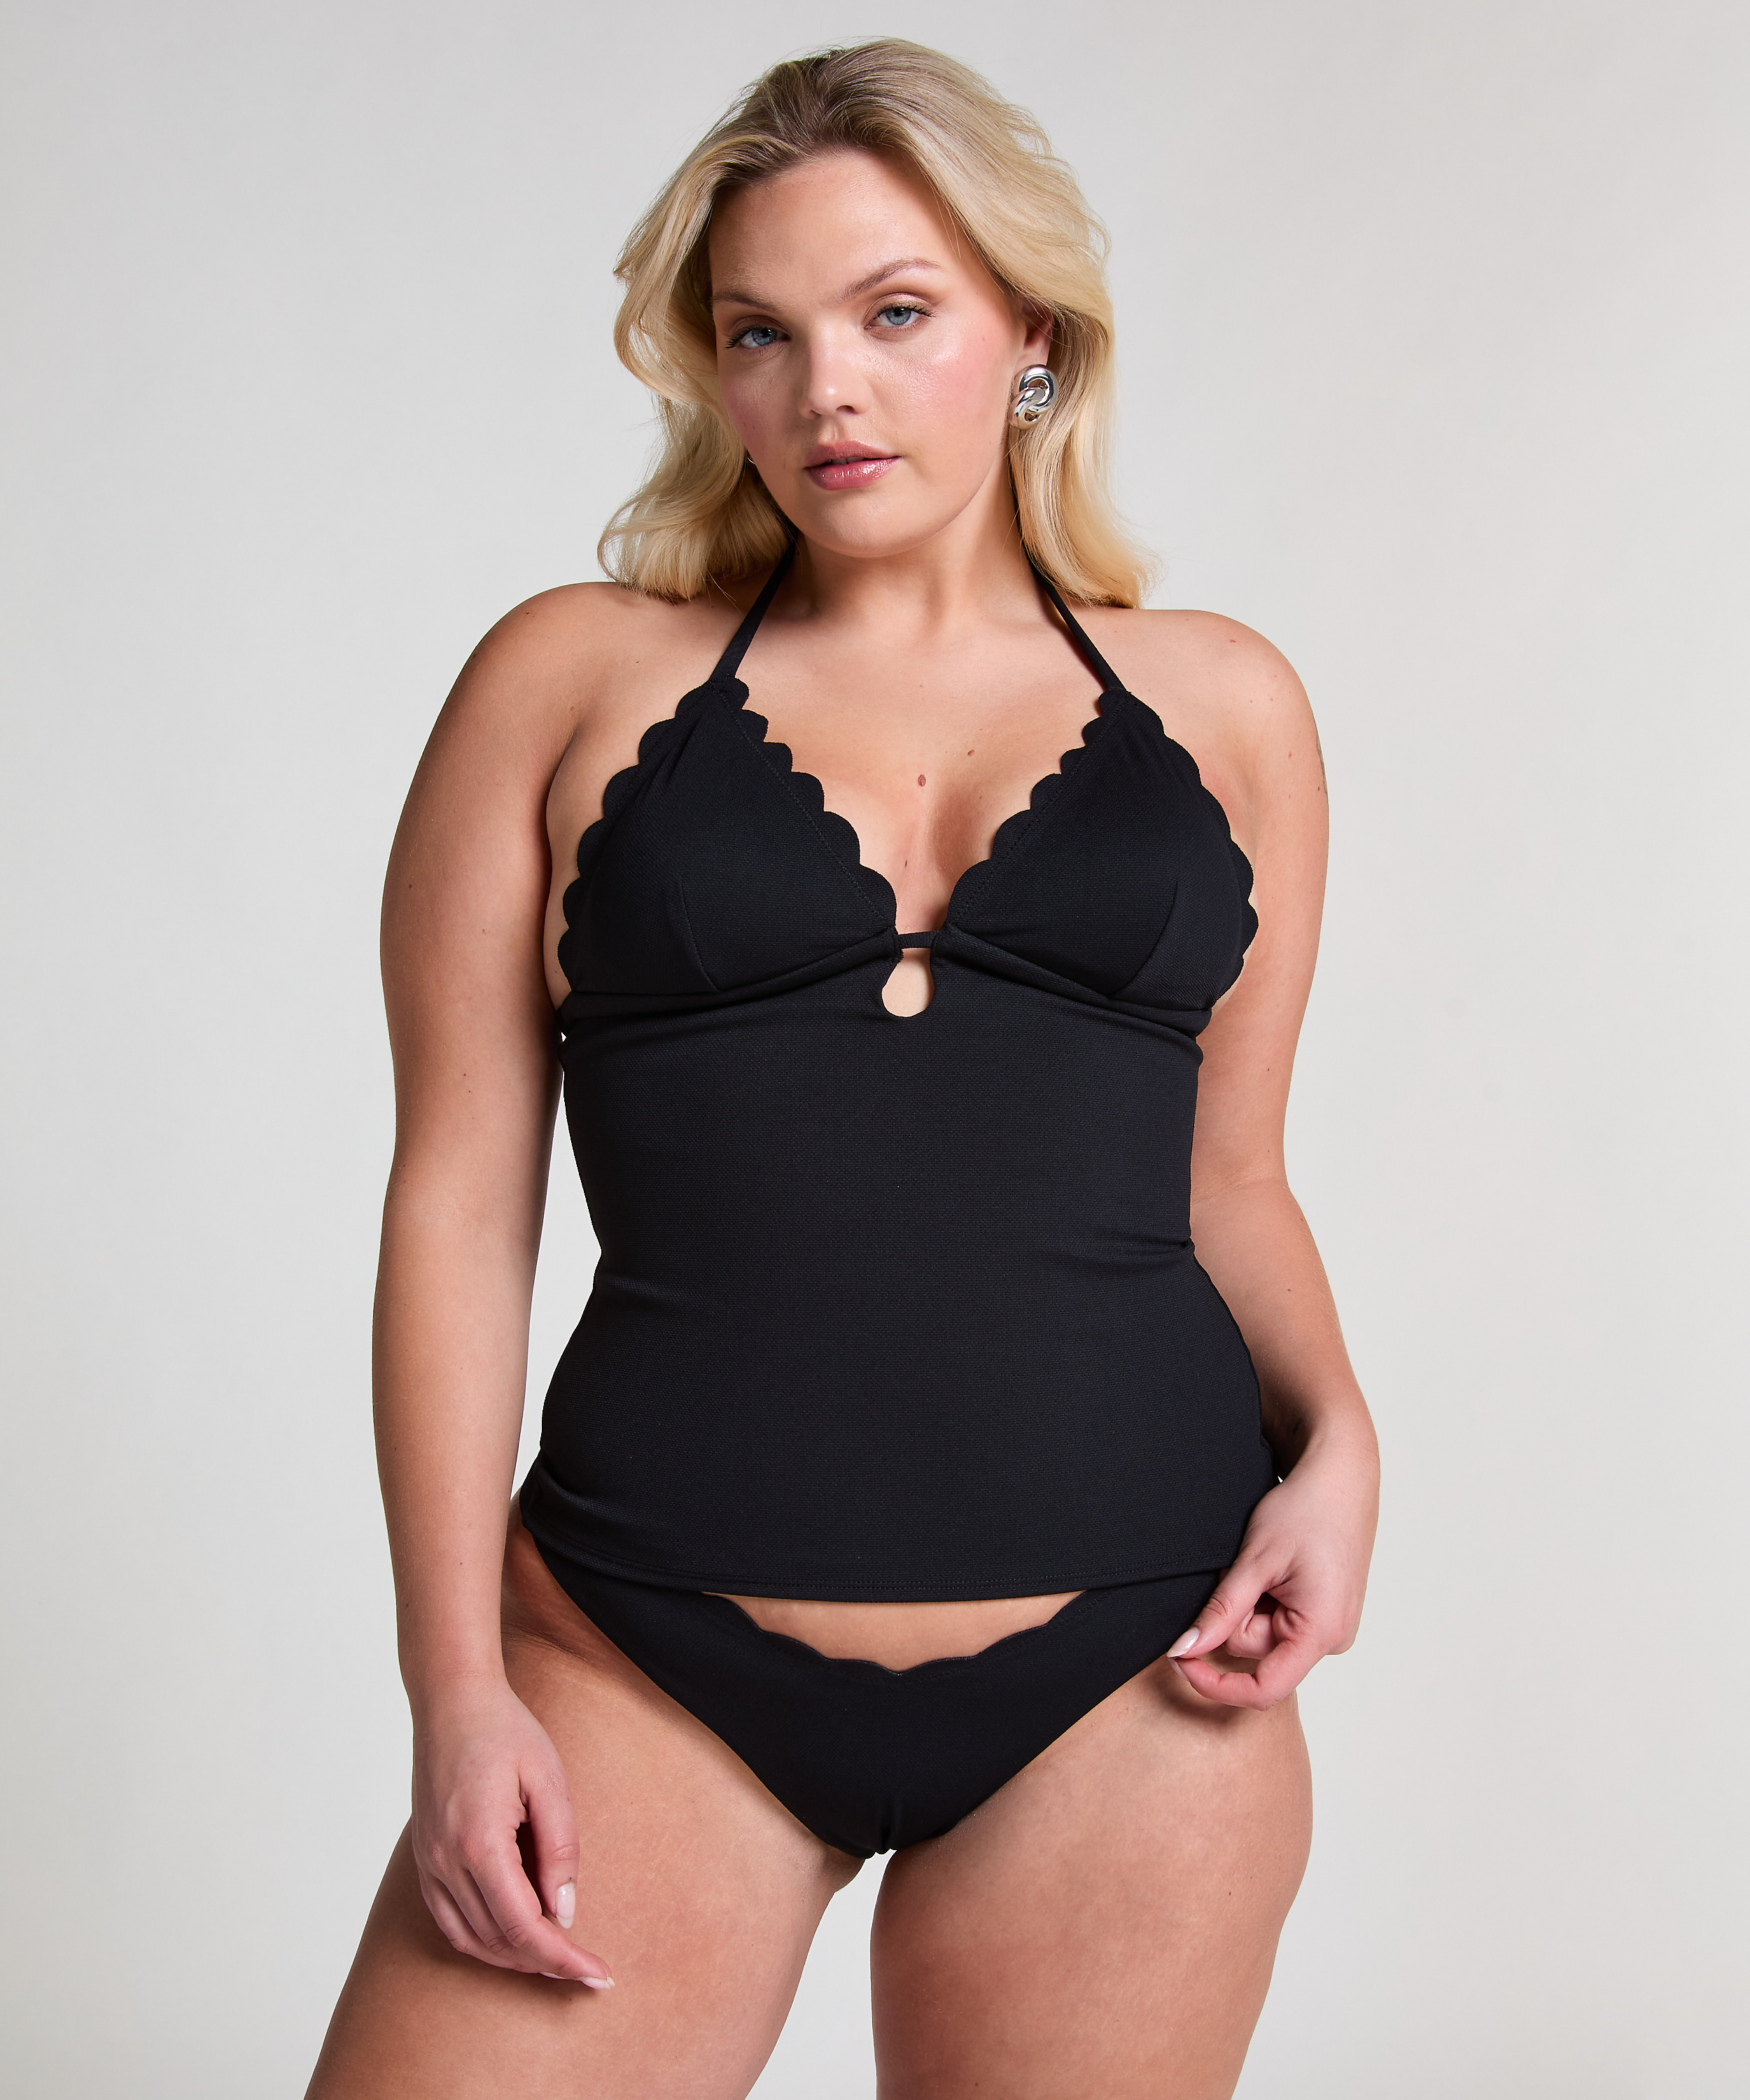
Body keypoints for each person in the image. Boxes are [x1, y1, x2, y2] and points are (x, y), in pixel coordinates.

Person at [307, 38, 1379, 2099]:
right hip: (639, 1656)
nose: (829, 393)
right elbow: (455, 1202)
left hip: (1138, 1667)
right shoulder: (566, 677)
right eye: (760, 334)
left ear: (1032, 334)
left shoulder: (1226, 707)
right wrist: (454, 1695)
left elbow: (1231, 1179)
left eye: (896, 315)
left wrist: (1340, 1441)